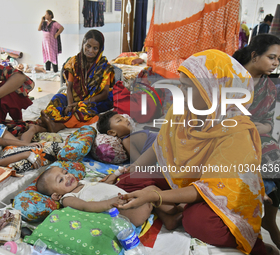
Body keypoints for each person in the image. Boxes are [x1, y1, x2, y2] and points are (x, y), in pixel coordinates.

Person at [114, 49, 271, 254]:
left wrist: (156, 197)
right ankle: (172, 212)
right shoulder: (182, 110)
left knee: (199, 222)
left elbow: (208, 189)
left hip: (216, 195)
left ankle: (174, 207)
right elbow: (160, 144)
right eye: (181, 86)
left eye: (188, 88)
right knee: (127, 181)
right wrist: (131, 169)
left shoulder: (236, 132)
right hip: (185, 180)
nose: (181, 94)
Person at [233, 34, 280, 250]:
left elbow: (269, 121)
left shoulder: (270, 87)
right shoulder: (230, 77)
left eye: (278, 59)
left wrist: (265, 127)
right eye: (272, 57)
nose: (276, 63)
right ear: (254, 55)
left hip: (259, 137)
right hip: (228, 136)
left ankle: (268, 220)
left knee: (274, 163)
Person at [36, 166, 183, 229]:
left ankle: (169, 220)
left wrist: (116, 174)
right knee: (151, 191)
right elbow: (87, 206)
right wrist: (110, 203)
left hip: (127, 203)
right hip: (124, 211)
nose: (67, 177)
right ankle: (175, 209)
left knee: (150, 195)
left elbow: (104, 185)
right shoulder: (68, 197)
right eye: (60, 180)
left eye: (65, 172)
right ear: (56, 195)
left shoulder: (82, 183)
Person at [39, 29, 115, 133]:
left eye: (95, 48)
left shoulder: (105, 68)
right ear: (83, 43)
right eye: (88, 46)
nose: (91, 50)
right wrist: (70, 105)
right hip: (74, 99)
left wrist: (82, 103)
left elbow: (105, 94)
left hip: (94, 101)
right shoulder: (74, 62)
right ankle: (45, 120)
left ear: (100, 49)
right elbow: (69, 87)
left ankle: (58, 126)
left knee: (84, 111)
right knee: (57, 98)